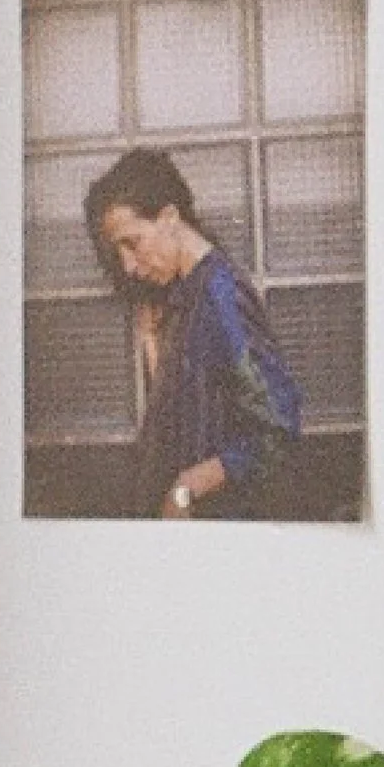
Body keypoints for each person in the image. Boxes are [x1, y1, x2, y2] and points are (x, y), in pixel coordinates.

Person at [82, 148, 302, 519]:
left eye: (132, 243)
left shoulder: (221, 297)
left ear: (169, 217)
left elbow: (279, 427)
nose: (128, 265)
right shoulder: (185, 291)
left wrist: (186, 489)